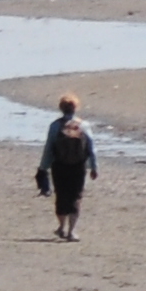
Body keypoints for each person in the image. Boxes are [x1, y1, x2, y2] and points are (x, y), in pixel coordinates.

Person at [38, 96, 97, 240]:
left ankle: (61, 227)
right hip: (78, 166)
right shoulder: (83, 125)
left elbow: (49, 148)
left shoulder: (55, 126)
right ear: (76, 108)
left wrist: (43, 167)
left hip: (59, 165)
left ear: (61, 108)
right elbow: (91, 148)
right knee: (76, 196)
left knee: (61, 195)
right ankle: (72, 231)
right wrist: (94, 167)